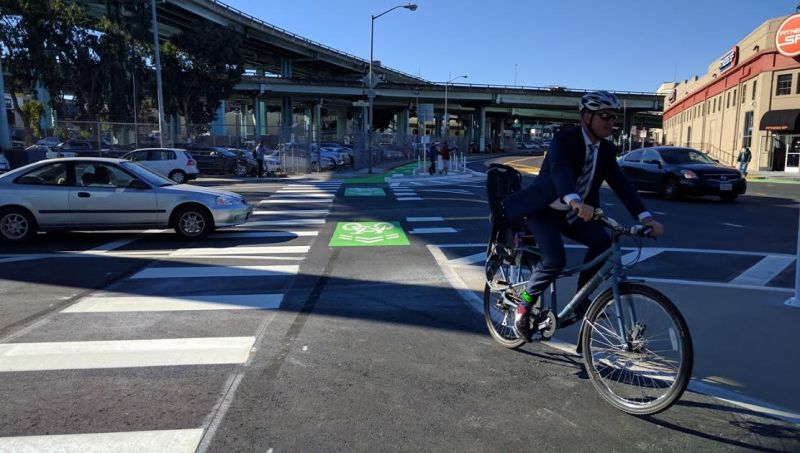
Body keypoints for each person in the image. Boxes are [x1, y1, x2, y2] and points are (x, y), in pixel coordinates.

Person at [502, 91, 664, 342]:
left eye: (613, 118)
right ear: (587, 116)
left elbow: (622, 185)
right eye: (605, 116)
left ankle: (580, 300)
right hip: (545, 209)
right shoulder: (564, 140)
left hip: (576, 212)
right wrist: (575, 200)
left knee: (601, 244)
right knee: (554, 260)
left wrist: (645, 217)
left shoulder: (606, 149)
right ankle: (524, 305)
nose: (611, 122)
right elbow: (560, 169)